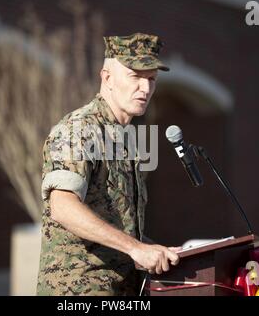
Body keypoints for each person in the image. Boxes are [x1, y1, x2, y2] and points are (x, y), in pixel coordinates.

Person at [37, 33, 180, 296]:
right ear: (107, 77)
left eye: (151, 80)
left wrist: (155, 251)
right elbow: (62, 206)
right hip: (78, 290)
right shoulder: (79, 128)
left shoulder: (125, 141)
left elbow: (119, 229)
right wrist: (136, 248)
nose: (145, 89)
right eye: (135, 76)